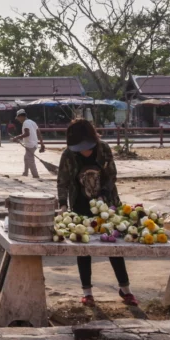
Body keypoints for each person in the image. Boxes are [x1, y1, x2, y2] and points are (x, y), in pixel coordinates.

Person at [57, 118, 137, 307]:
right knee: (83, 249)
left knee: (113, 245)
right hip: (80, 205)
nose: (84, 151)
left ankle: (125, 290)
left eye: (87, 147)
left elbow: (112, 175)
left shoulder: (104, 149)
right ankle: (87, 292)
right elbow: (63, 180)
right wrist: (62, 204)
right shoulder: (68, 154)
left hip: (106, 204)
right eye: (80, 148)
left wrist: (103, 195)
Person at [12, 109, 45, 179]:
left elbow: (27, 133)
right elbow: (38, 133)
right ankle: (25, 173)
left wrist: (16, 137)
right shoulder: (32, 122)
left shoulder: (25, 123)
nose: (18, 119)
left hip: (30, 144)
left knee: (30, 159)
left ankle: (35, 175)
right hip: (34, 144)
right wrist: (42, 144)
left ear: (21, 116)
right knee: (26, 158)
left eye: (18, 118)